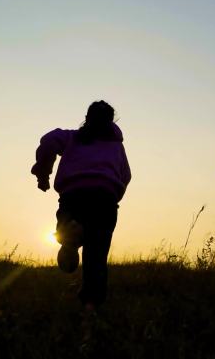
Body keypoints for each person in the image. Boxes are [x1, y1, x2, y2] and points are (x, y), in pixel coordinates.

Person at [31, 100, 131, 312]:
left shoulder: (71, 137)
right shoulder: (116, 146)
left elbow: (48, 141)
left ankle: (69, 237)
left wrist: (43, 172)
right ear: (111, 122)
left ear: (86, 118)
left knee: (66, 226)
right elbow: (126, 175)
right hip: (104, 200)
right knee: (96, 255)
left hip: (73, 197)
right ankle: (90, 306)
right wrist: (114, 195)